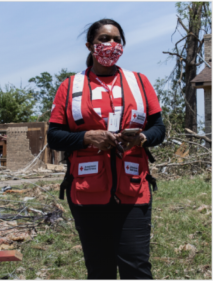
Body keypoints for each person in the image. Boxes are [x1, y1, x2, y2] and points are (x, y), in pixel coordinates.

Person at [48, 19, 165, 280]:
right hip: (87, 190)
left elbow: (160, 129)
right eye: (103, 39)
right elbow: (54, 137)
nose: (111, 45)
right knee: (100, 269)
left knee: (137, 267)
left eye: (117, 40)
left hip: (133, 189)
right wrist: (86, 138)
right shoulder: (70, 86)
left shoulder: (139, 82)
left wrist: (142, 138)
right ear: (90, 45)